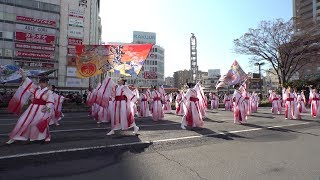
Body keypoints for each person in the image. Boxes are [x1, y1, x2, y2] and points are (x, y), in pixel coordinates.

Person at [6, 70, 54, 144]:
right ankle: (15, 137)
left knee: (41, 124)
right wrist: (23, 75)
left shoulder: (49, 92)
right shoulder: (36, 89)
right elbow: (28, 83)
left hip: (41, 110)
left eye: (44, 83)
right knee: (23, 121)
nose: (42, 84)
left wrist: (47, 107)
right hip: (32, 109)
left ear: (47, 83)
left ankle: (47, 137)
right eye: (41, 82)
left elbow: (50, 101)